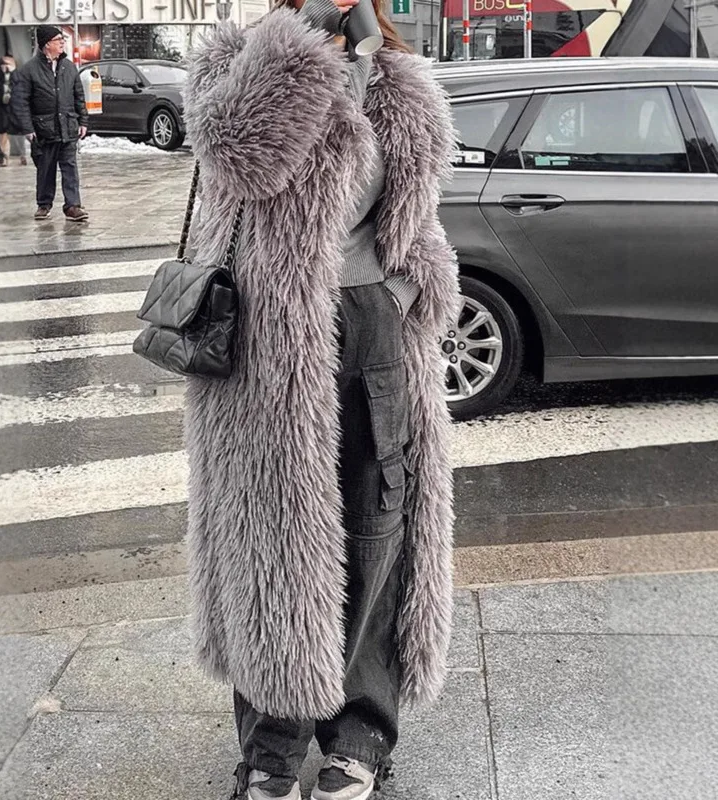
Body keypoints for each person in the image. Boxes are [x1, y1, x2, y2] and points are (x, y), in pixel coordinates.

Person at [181, 0, 459, 796]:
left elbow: (416, 217)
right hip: (268, 353)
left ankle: (361, 735)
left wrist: (410, 290)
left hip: (377, 334)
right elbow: (239, 157)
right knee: (273, 544)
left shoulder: (398, 79)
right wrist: (305, 51)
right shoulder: (236, 60)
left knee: (376, 525)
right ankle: (271, 749)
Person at [11, 25, 89, 222]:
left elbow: (79, 96)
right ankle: (44, 204)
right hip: (43, 129)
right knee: (45, 169)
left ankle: (73, 206)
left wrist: (83, 121)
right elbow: (21, 102)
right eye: (58, 39)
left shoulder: (69, 67)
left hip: (68, 126)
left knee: (70, 167)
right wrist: (28, 129)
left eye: (62, 39)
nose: (62, 42)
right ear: (47, 44)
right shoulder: (29, 70)